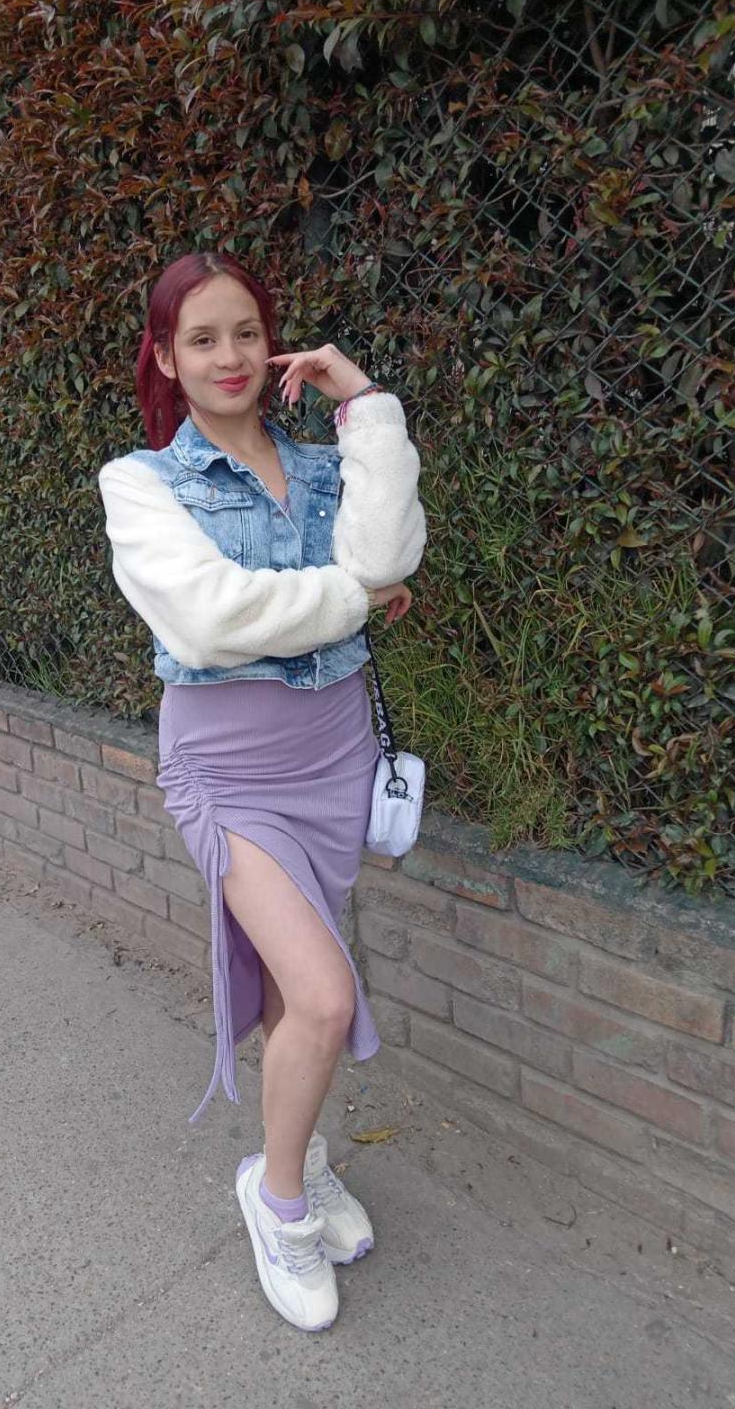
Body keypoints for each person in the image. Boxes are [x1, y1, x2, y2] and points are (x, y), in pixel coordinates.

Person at [96, 250, 427, 1333]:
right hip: (228, 768)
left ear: (274, 340)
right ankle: (277, 1201)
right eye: (201, 339)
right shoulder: (141, 485)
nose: (229, 356)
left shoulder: (326, 465)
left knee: (298, 997)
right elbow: (210, 619)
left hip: (334, 754)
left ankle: (303, 1155)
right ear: (165, 358)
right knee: (325, 995)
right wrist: (357, 596)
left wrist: (366, 405)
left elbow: (395, 543)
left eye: (246, 331)